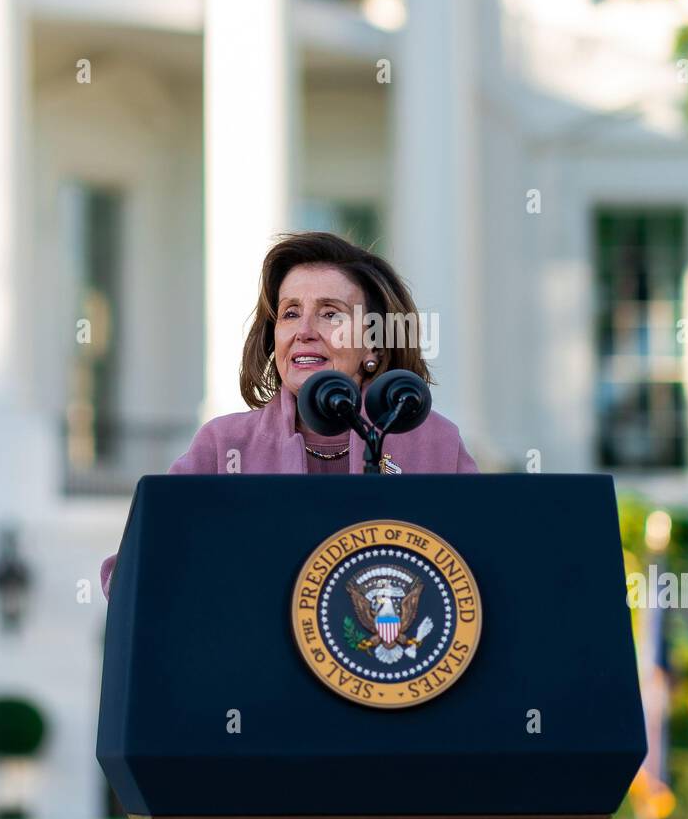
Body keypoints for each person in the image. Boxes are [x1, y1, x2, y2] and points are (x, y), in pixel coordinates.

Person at [99, 231, 479, 600]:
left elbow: (487, 565)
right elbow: (130, 577)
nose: (304, 331)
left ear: (375, 347)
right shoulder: (224, 445)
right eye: (290, 313)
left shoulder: (435, 442)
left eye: (331, 314)